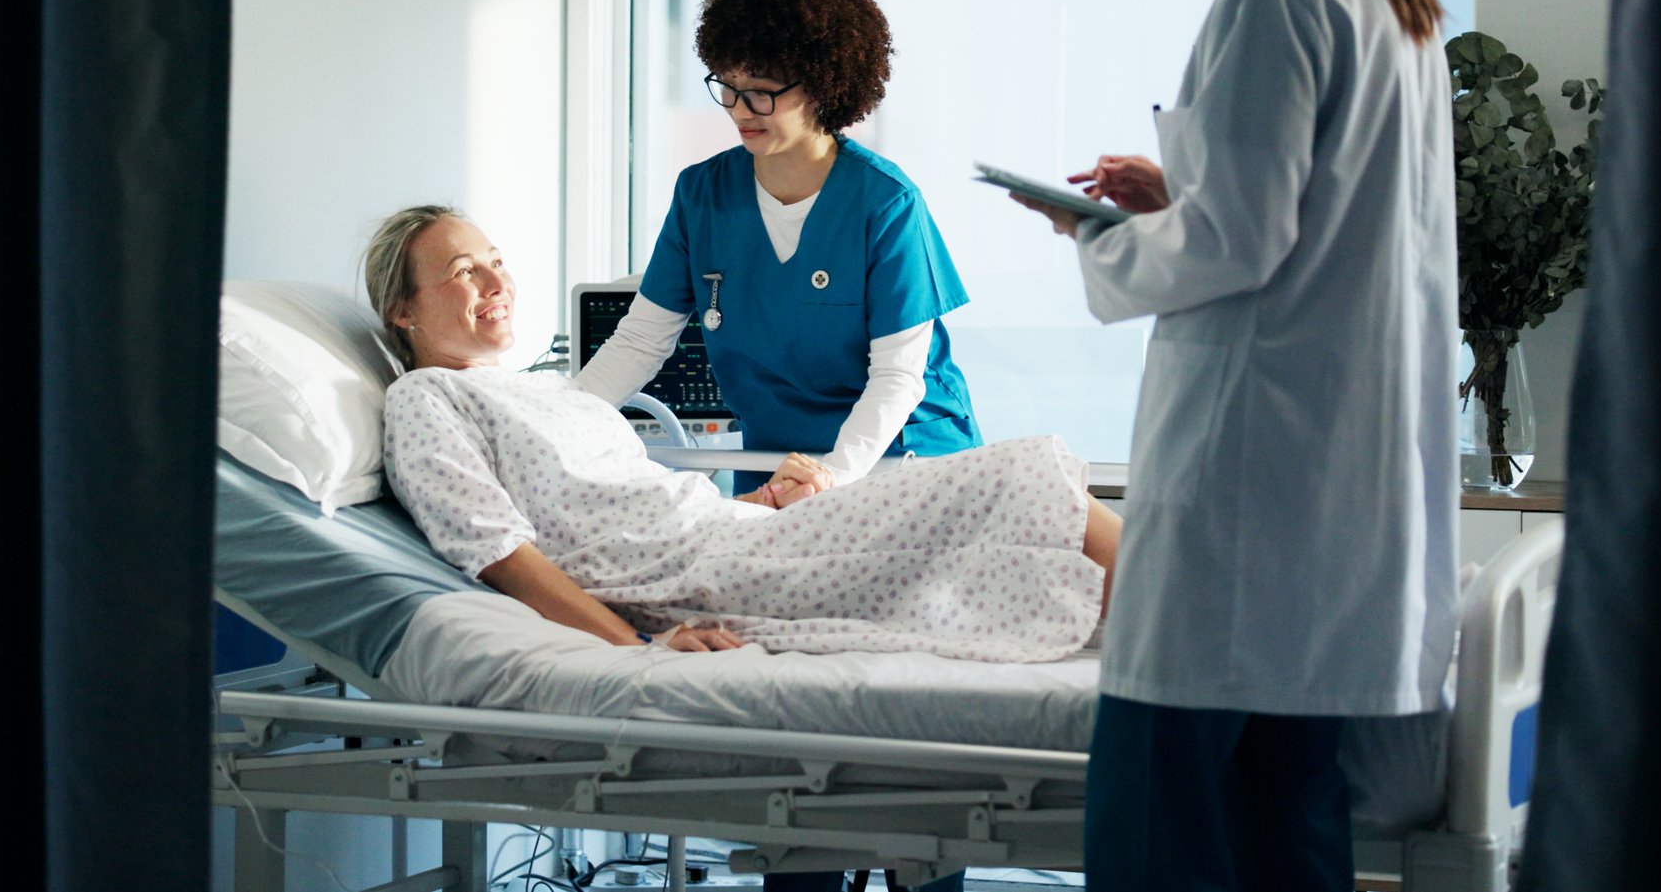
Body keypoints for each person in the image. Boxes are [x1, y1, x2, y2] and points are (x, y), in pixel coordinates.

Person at [1012, 0, 1460, 891]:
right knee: (1289, 823)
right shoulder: (1391, 2)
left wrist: (1105, 231)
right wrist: (1181, 196)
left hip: (1249, 480)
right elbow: (1315, 220)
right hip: (1332, 484)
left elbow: (1239, 242)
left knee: (1162, 825)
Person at [362, 205, 1124, 664]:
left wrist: (759, 503)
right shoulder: (426, 400)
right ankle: (1191, 656)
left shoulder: (549, 390)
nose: (497, 283)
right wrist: (639, 651)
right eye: (466, 271)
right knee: (1016, 479)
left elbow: (637, 501)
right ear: (403, 310)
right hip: (692, 576)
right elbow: (503, 555)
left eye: (496, 262)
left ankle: (1187, 643)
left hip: (733, 536)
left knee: (1023, 490)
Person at [576, 0, 981, 505]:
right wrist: (555, 420)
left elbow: (898, 378)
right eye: (729, 86)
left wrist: (833, 474)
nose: (741, 110)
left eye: (762, 91)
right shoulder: (702, 195)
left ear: (820, 85)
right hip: (777, 463)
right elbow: (641, 340)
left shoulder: (884, 203)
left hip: (895, 458)